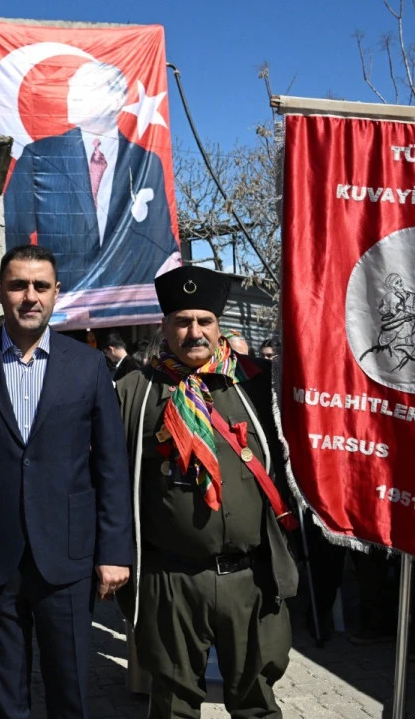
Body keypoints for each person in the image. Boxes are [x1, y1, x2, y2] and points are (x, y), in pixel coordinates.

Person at [0, 244, 133, 718]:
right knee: (2, 695)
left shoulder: (87, 366)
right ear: (0, 291)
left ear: (56, 292)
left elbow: (111, 467)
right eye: (19, 285)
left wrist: (114, 552)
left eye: (40, 286)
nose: (30, 296)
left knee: (71, 690)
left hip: (67, 555)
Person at [116, 265, 298, 719]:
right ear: (164, 327)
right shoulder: (135, 392)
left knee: (256, 702)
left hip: (249, 578)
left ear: (219, 327)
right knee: (173, 704)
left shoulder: (259, 385)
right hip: (171, 580)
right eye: (182, 322)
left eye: (204, 321)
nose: (194, 332)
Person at [4, 62, 180, 293]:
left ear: (117, 100)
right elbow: (12, 230)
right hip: (61, 300)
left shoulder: (145, 163)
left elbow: (161, 240)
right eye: (71, 89)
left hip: (127, 301)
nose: (72, 97)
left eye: (85, 88)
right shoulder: (40, 156)